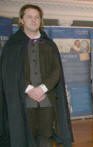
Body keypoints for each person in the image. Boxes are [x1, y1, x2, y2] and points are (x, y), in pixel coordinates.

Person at [0, 4, 73, 147]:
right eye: (29, 17)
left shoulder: (49, 44)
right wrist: (29, 89)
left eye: (37, 17)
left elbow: (56, 70)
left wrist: (43, 88)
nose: (34, 20)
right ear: (21, 20)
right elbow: (10, 72)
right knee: (25, 137)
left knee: (46, 136)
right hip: (22, 100)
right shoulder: (13, 45)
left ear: (41, 21)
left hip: (46, 99)